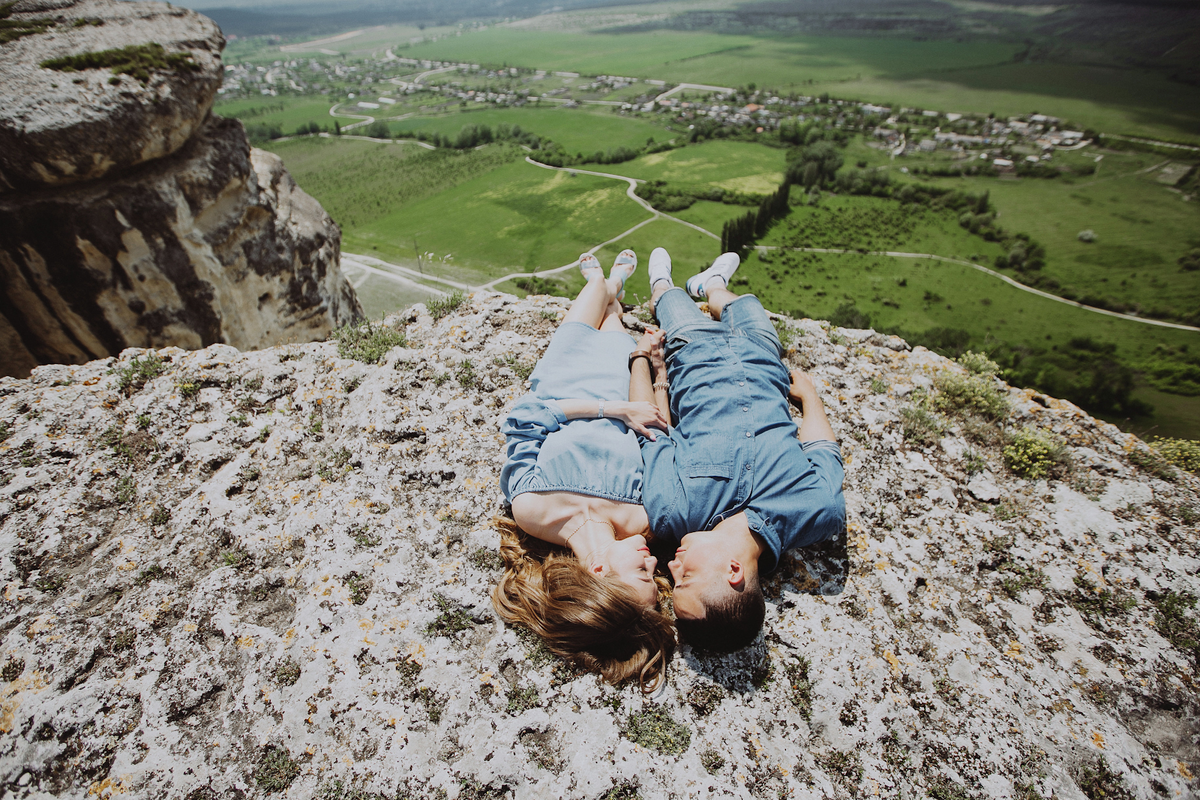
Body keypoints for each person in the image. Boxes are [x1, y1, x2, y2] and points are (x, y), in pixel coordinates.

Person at [629, 247, 845, 653]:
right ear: (733, 572)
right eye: (685, 578)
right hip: (763, 359)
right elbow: (823, 449)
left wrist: (652, 368)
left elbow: (653, 431)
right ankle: (712, 284)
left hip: (692, 354)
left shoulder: (675, 511)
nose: (671, 567)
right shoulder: (818, 512)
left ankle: (664, 284)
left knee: (668, 296)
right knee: (743, 303)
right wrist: (810, 398)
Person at [494, 249, 675, 690]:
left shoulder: (533, 512)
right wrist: (655, 373)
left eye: (642, 573)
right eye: (655, 573)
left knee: (595, 290)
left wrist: (610, 409)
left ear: (597, 573)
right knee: (612, 319)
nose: (654, 563)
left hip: (567, 377)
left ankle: (609, 285)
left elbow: (527, 417)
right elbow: (659, 434)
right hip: (622, 377)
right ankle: (615, 296)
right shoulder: (641, 519)